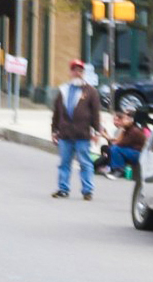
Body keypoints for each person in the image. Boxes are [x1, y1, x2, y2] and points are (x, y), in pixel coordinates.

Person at [50, 59, 101, 199]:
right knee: (64, 163)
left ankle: (87, 190)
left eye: (80, 71)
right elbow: (57, 113)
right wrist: (54, 131)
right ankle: (63, 189)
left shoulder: (91, 91)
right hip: (65, 133)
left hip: (82, 134)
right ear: (70, 72)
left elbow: (96, 113)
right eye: (75, 70)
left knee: (85, 162)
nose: (78, 73)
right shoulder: (63, 90)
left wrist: (97, 131)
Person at [101, 109, 146, 178]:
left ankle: (119, 169)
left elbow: (120, 143)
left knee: (115, 149)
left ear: (131, 120)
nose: (123, 121)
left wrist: (107, 136)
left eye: (125, 119)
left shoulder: (134, 130)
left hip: (138, 154)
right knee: (110, 148)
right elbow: (118, 141)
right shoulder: (127, 129)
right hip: (132, 151)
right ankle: (111, 167)